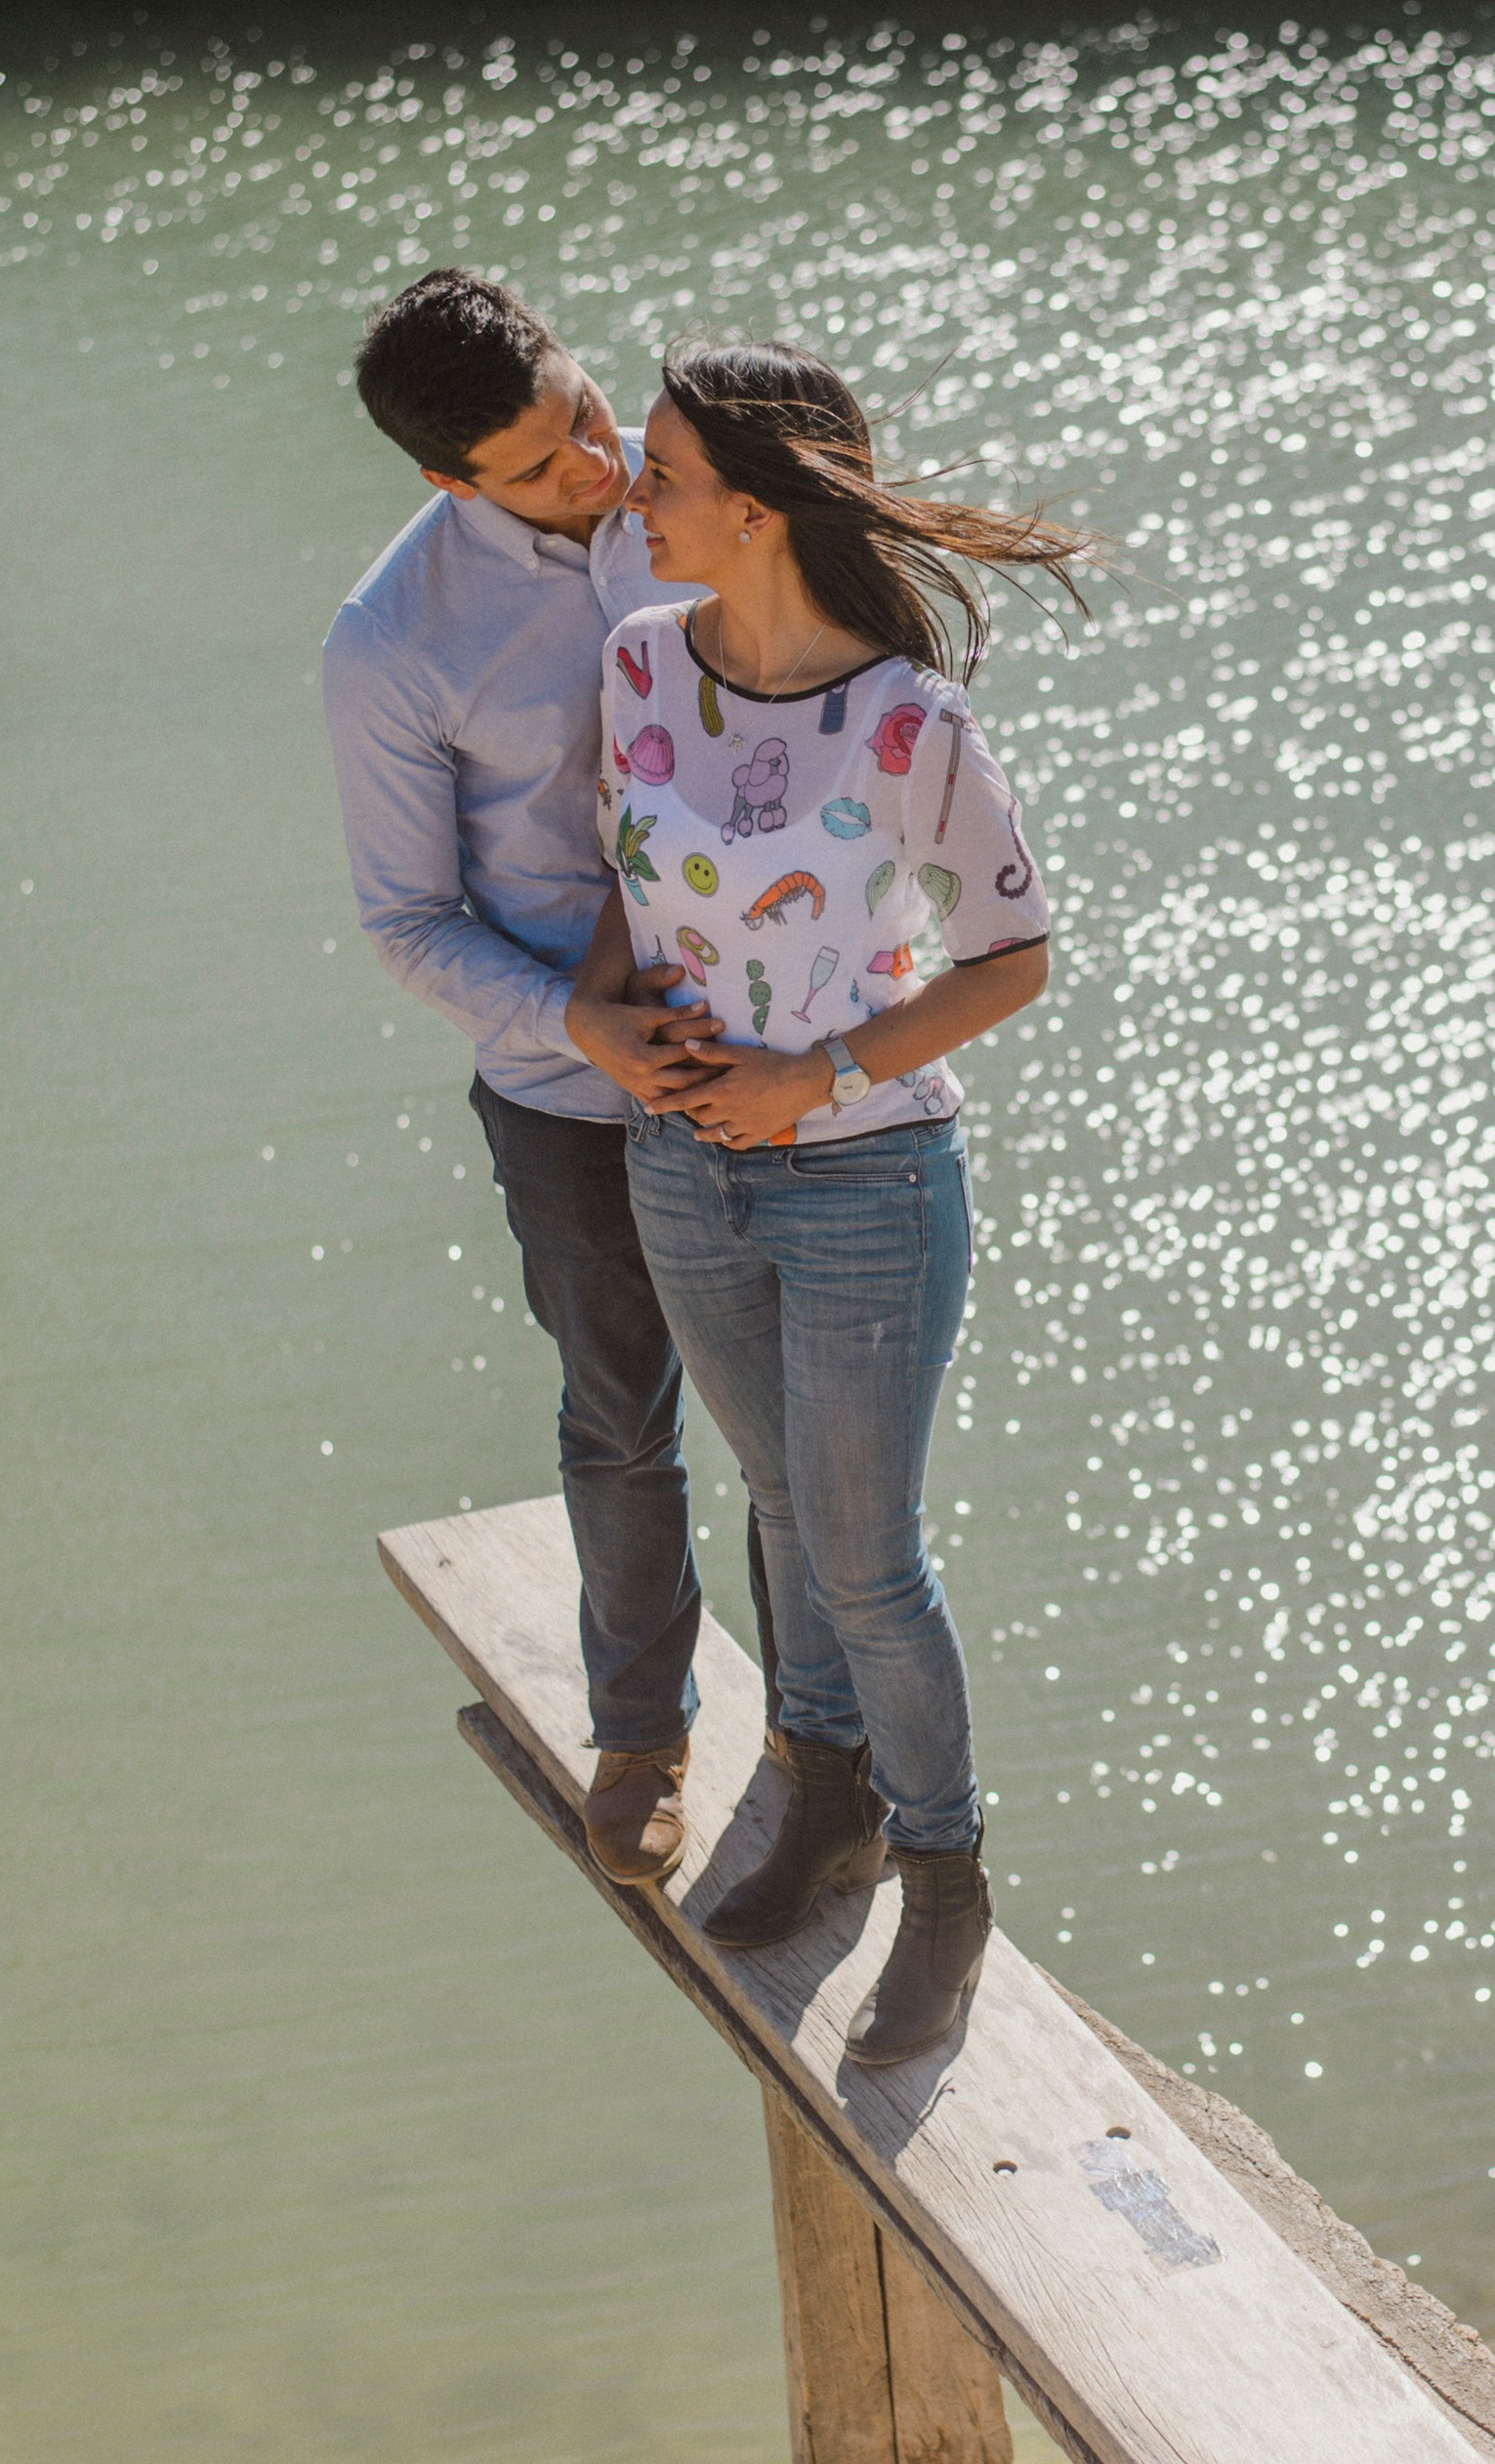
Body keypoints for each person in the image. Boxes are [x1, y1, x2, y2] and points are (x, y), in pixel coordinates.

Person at [575, 339, 1086, 2064]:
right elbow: (627, 894)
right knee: (782, 1509)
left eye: (659, 473)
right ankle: (824, 1804)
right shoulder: (643, 667)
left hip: (868, 1179)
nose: (632, 499)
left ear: (758, 502)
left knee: (868, 1559)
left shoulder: (909, 722)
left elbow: (1012, 961)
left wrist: (821, 1075)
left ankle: (944, 1882)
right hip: (679, 1170)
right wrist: (615, 1029)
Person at [323, 270, 788, 1891]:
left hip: (781, 1054)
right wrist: (574, 1027)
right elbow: (402, 921)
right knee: (621, 1418)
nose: (598, 469)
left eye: (586, 417)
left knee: (799, 1434)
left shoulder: (689, 480)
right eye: (540, 465)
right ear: (449, 483)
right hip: (574, 1096)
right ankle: (644, 1735)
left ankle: (820, 1755)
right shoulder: (391, 645)